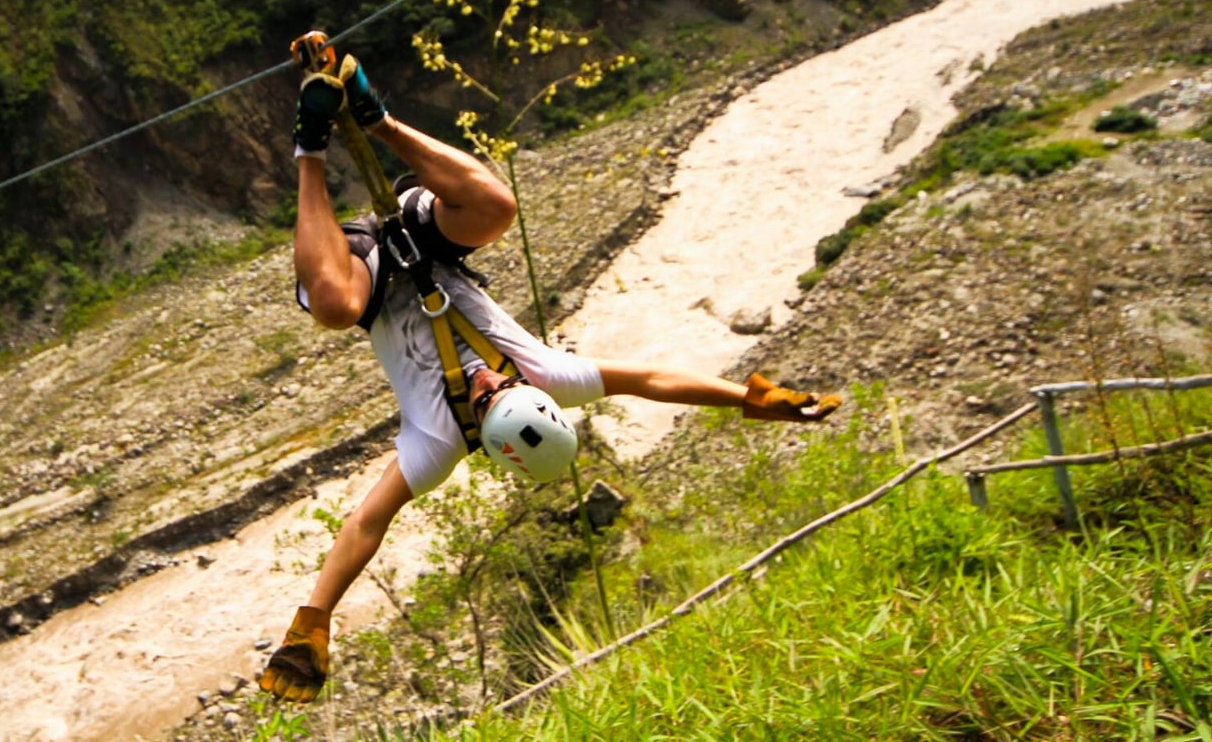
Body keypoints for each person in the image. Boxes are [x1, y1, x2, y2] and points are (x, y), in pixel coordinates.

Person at [258, 53, 841, 703]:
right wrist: (753, 400)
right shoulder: (548, 379)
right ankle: (379, 118)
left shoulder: (437, 444)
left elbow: (367, 523)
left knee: (333, 307)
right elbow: (649, 379)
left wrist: (315, 621)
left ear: (485, 434)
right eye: (503, 389)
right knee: (496, 205)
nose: (487, 386)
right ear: (529, 394)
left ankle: (308, 145)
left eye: (485, 403)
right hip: (430, 243)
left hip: (361, 276)